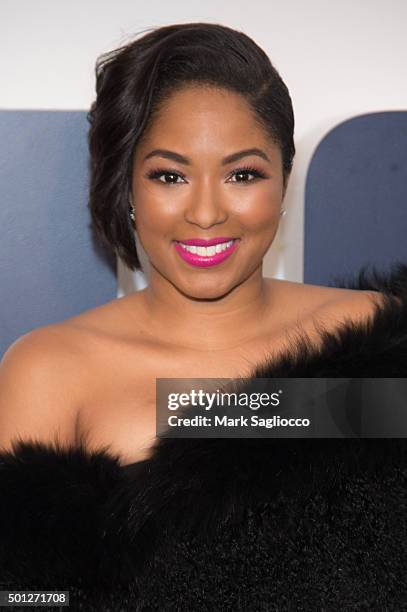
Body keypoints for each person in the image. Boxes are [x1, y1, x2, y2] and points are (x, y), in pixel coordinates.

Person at [0, 21, 406, 610]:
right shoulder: (50, 369)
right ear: (126, 187)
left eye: (243, 174)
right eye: (170, 175)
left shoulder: (376, 340)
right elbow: (26, 598)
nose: (208, 212)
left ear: (284, 181)